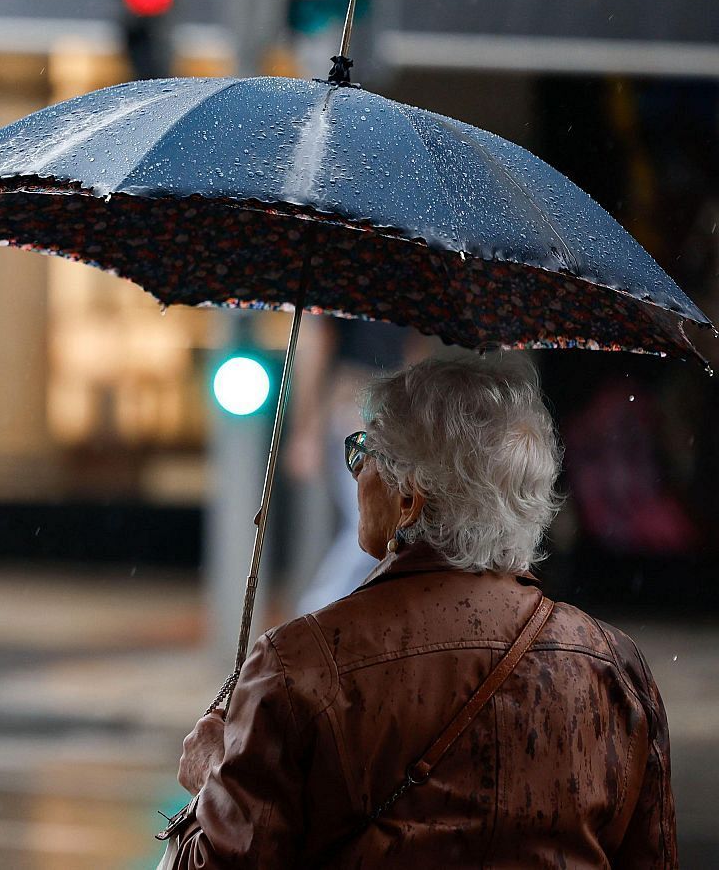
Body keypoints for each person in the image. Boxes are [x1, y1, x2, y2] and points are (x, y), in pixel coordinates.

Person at [170, 357, 676, 867]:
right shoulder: (614, 668)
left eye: (362, 450)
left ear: (409, 495)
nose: (356, 470)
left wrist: (212, 777)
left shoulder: (300, 664)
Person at [285, 316, 422, 615]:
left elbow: (318, 347)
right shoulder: (409, 283)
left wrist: (305, 429)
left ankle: (321, 610)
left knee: (375, 524)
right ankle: (320, 609)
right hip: (371, 405)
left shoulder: (345, 281)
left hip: (359, 402)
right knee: (376, 524)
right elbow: (413, 352)